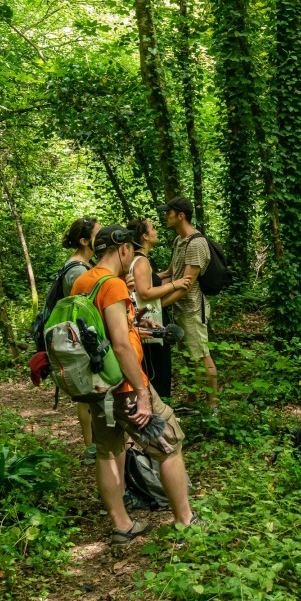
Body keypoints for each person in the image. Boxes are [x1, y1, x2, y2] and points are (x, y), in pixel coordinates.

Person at [70, 224, 195, 542]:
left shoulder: (83, 282)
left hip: (98, 387)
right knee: (169, 444)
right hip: (125, 387)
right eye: (131, 252)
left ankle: (122, 526)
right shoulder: (111, 284)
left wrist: (134, 325)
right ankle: (185, 521)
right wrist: (141, 391)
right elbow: (121, 347)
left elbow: (102, 334)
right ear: (123, 249)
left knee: (107, 452)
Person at [159, 197, 216, 411]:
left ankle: (212, 407)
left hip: (193, 309)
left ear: (181, 215)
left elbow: (186, 285)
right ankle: (192, 402)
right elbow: (171, 274)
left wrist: (161, 303)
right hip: (180, 309)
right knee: (187, 358)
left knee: (202, 356)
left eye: (169, 212)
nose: (165, 216)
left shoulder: (197, 243)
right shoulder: (179, 241)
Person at [58, 217, 100, 465]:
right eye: (97, 233)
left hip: (83, 335)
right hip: (80, 337)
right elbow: (83, 307)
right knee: (85, 396)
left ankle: (94, 444)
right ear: (85, 241)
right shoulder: (76, 270)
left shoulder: (84, 264)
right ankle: (90, 446)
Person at [127, 217, 178, 400]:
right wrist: (175, 285)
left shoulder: (137, 259)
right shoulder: (141, 261)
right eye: (153, 228)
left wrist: (165, 274)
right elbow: (145, 292)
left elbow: (148, 280)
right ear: (145, 236)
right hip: (149, 323)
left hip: (143, 322)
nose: (156, 231)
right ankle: (159, 415)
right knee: (157, 371)